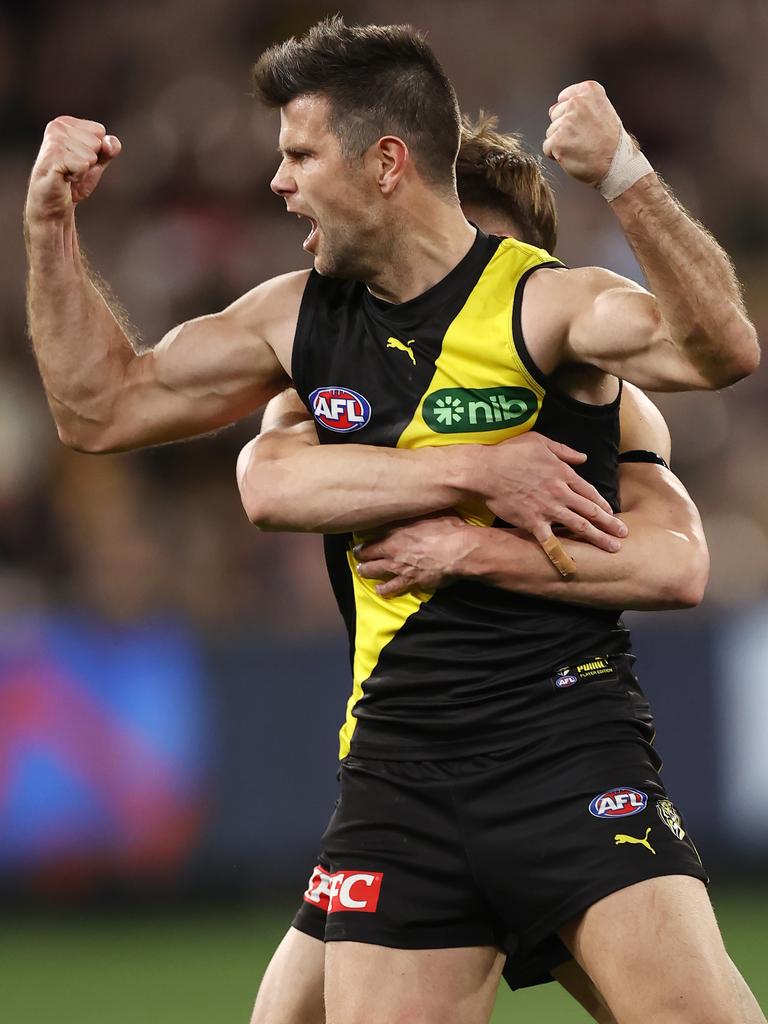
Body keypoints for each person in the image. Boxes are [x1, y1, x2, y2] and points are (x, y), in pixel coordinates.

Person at [23, 16, 761, 1024]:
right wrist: (49, 225)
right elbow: (102, 408)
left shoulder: (545, 307)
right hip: (398, 775)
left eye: (297, 153)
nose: (277, 182)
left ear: (384, 163)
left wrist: (626, 172)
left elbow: (719, 354)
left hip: (565, 749)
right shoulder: (300, 323)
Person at [246, 115, 706, 1024]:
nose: (460, 302)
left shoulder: (607, 403)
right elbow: (265, 476)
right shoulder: (350, 381)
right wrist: (462, 470)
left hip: (555, 750)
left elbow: (677, 564)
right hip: (404, 764)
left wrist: (474, 549)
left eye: (485, 266)